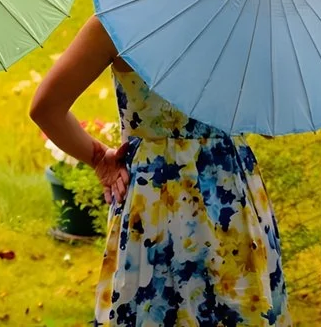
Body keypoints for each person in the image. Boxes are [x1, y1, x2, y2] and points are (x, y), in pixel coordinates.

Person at [31, 18, 291, 326]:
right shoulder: (246, 15)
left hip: (153, 197)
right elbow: (272, 120)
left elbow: (46, 107)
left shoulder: (120, 17)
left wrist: (100, 159)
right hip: (229, 193)